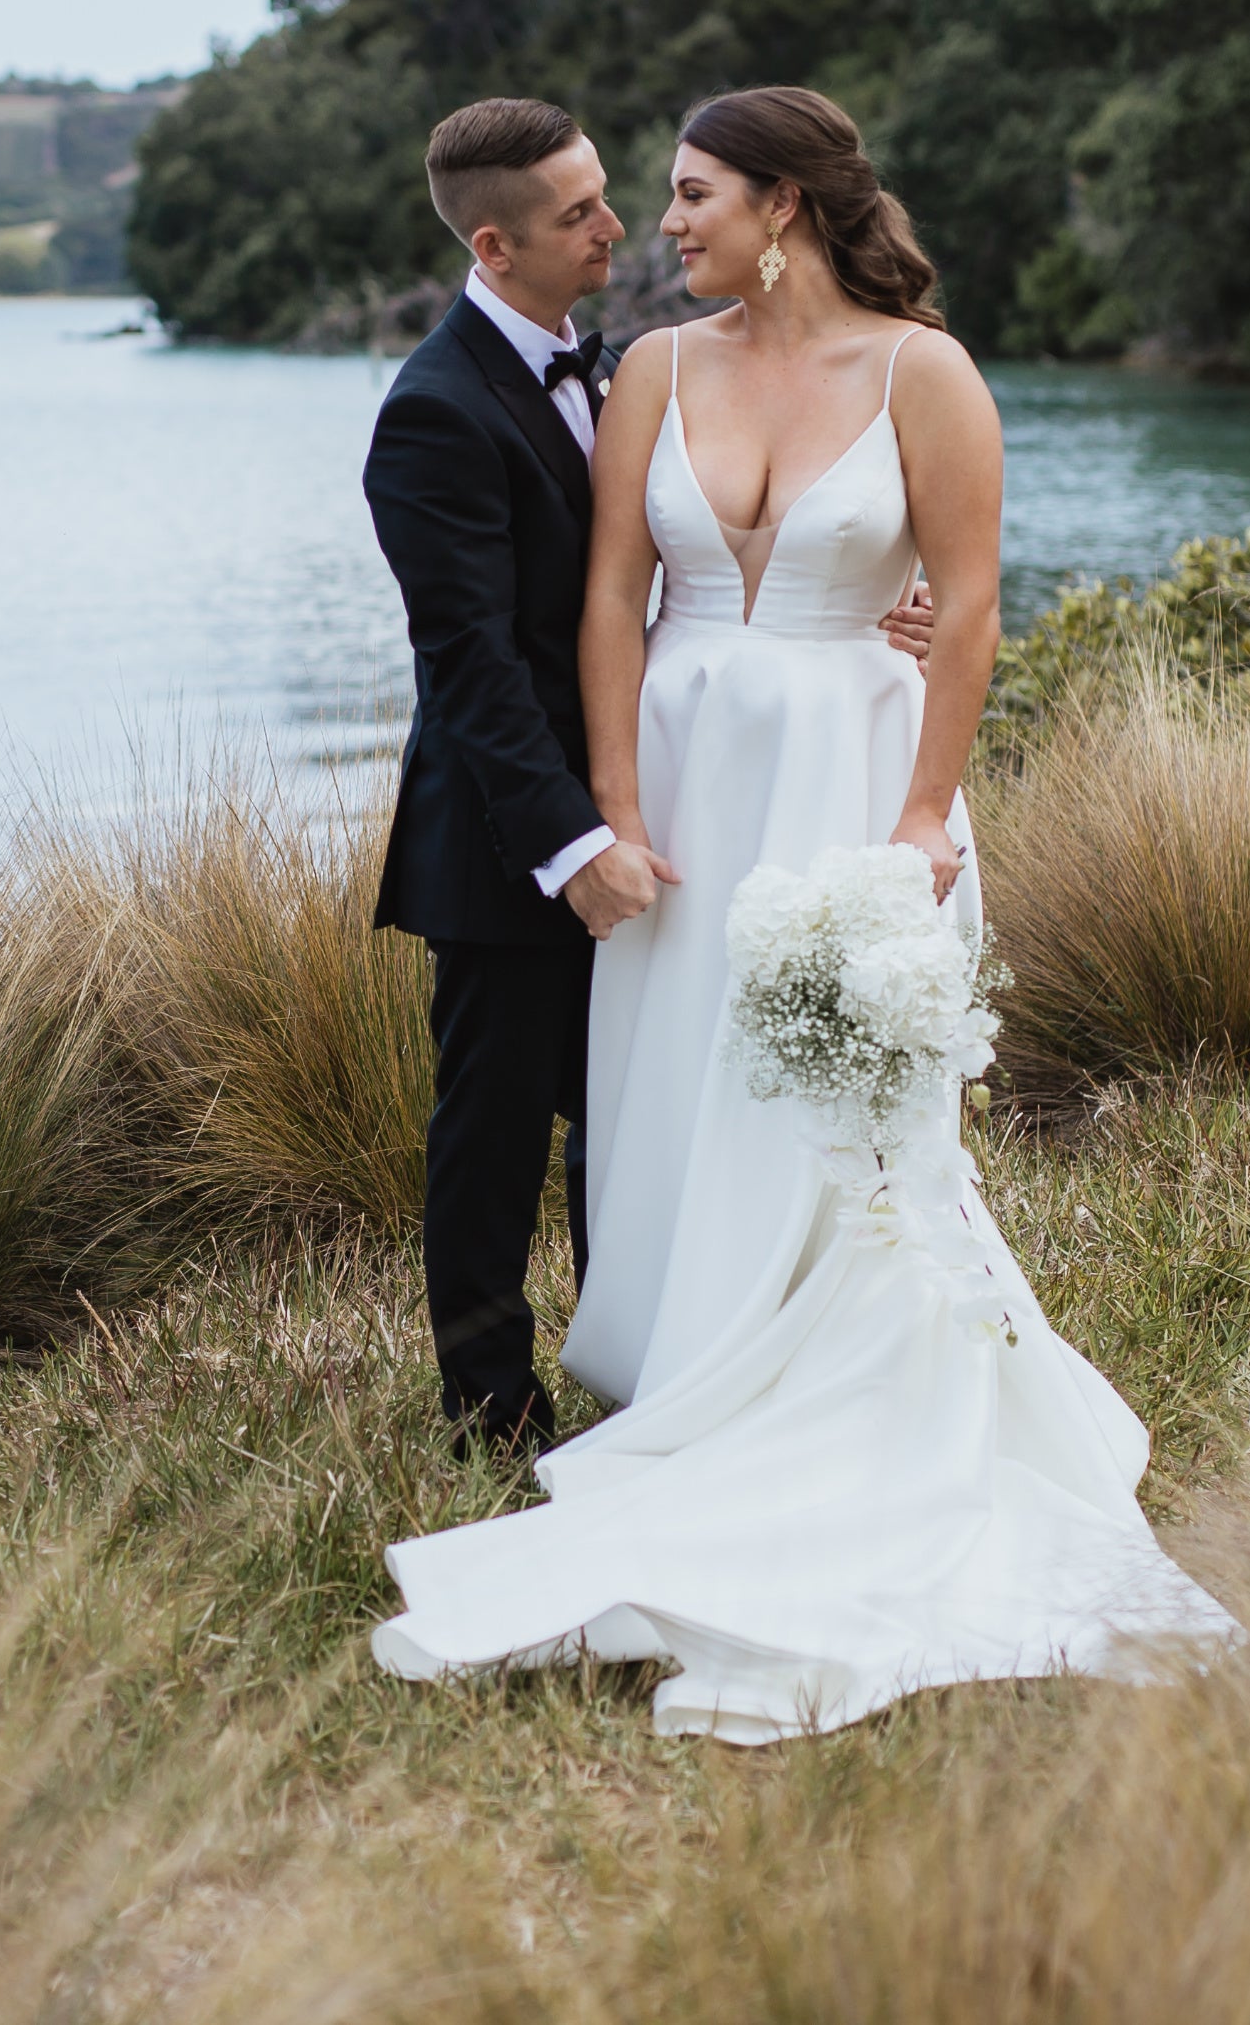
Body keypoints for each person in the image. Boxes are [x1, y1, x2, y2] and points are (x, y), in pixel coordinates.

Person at [371, 85, 1242, 1742]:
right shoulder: (649, 372)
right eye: (635, 201)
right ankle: (673, 1372)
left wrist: (921, 816)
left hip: (850, 779)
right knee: (673, 1085)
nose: (653, 224)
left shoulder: (931, 371)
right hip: (685, 791)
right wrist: (611, 810)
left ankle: (852, 1383)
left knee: (841, 1103)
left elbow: (975, 601)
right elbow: (606, 602)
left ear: (787, 205)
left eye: (689, 194)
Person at [359, 97, 927, 1457]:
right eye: (581, 213)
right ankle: (488, 1411)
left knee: (636, 1104)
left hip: (671, 799)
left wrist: (867, 602)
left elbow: (716, 551)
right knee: (491, 1132)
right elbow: (472, 667)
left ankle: (657, 1359)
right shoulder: (433, 413)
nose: (620, 225)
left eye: (616, 194)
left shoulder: (628, 370)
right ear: (494, 246)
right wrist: (573, 837)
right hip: (518, 836)